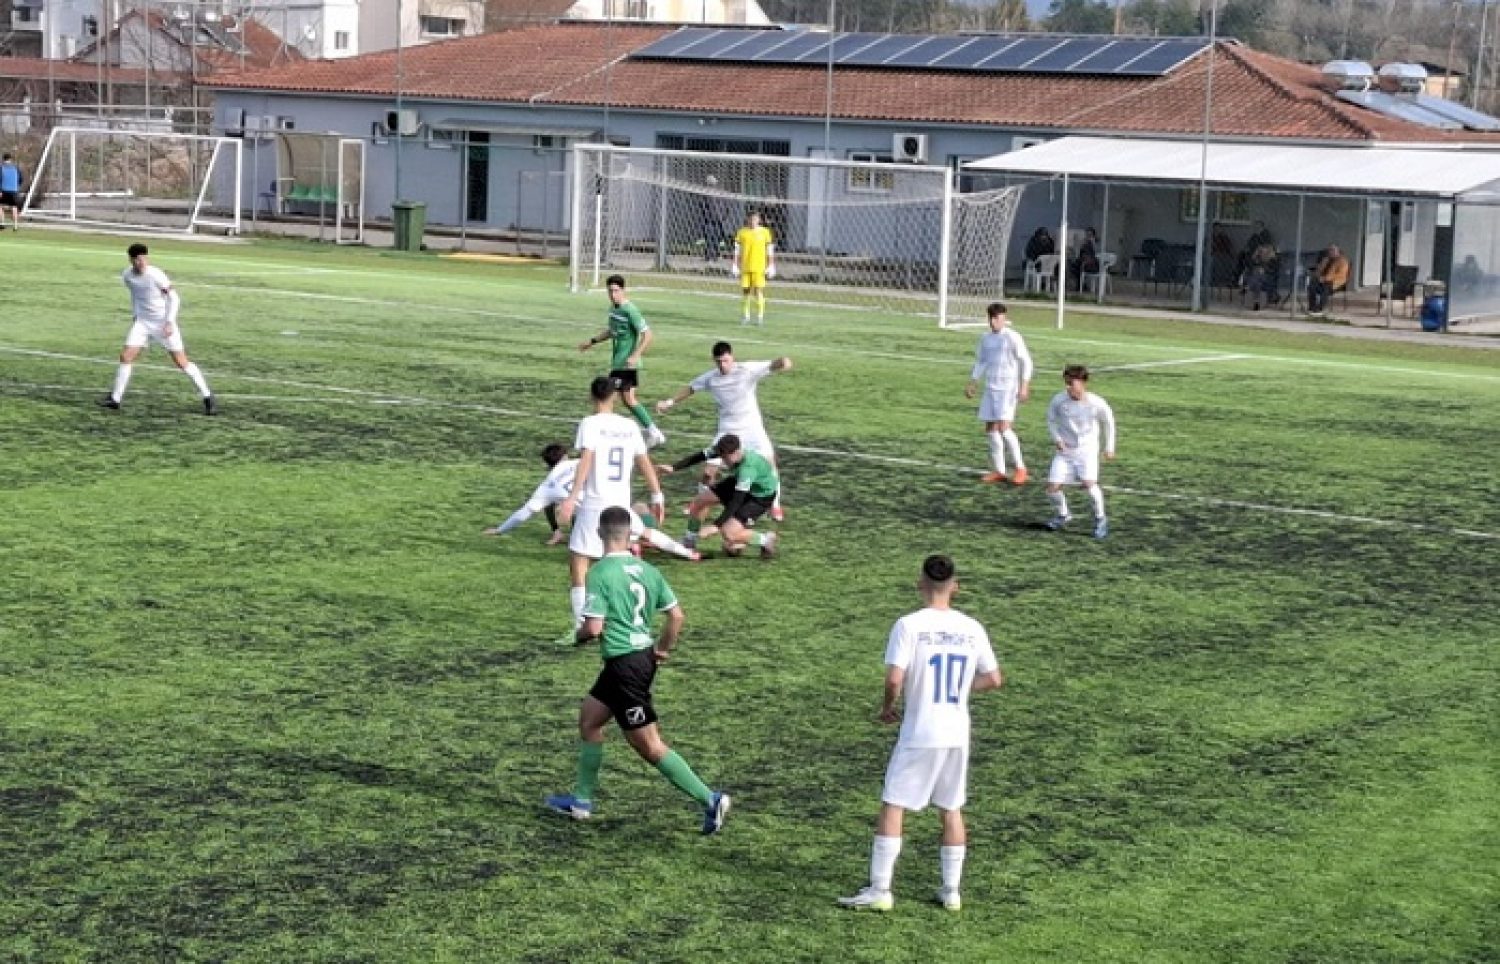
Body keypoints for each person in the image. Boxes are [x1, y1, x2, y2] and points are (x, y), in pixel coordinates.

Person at [545, 506, 731, 835]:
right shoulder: (648, 570)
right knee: (589, 721)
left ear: (600, 534)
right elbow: (677, 616)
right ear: (630, 534)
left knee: (649, 746)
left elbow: (594, 628)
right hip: (637, 658)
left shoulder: (600, 573)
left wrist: (575, 638)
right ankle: (581, 802)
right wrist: (662, 649)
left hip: (625, 668)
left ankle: (710, 799)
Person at [838, 554, 1002, 913]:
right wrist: (960, 689)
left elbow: (894, 679)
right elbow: (993, 678)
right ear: (955, 587)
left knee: (894, 803)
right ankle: (952, 891)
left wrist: (887, 707)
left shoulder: (909, 625)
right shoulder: (972, 628)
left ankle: (881, 889)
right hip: (957, 732)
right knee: (952, 808)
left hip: (921, 731)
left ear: (921, 584)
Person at [557, 377, 667, 641]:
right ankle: (625, 619)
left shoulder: (590, 423)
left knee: (579, 560)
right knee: (617, 561)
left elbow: (587, 459)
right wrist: (657, 495)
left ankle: (582, 625)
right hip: (621, 504)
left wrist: (572, 497)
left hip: (595, 503)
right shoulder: (629, 425)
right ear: (615, 396)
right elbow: (644, 461)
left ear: (591, 396)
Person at [655, 340, 792, 520]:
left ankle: (775, 505)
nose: (722, 365)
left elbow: (772, 365)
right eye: (719, 362)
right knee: (708, 472)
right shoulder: (711, 378)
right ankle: (699, 502)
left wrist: (782, 362)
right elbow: (691, 388)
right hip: (727, 430)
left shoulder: (747, 370)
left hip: (752, 427)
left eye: (725, 361)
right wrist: (669, 402)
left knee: (770, 462)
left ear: (732, 357)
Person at [97, 243, 216, 415]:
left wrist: (169, 321)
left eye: (144, 258)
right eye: (137, 259)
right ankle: (115, 399)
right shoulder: (127, 276)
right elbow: (136, 296)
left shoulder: (156, 275)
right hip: (142, 323)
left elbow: (174, 299)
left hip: (162, 323)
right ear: (131, 260)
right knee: (126, 356)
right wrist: (136, 314)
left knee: (181, 362)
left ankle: (208, 396)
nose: (141, 262)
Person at [578, 274, 666, 448]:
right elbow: (612, 331)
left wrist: (636, 355)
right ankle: (654, 432)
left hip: (627, 365)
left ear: (623, 290)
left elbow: (648, 335)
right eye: (610, 291)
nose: (613, 294)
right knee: (627, 400)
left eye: (616, 291)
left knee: (608, 397)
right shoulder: (613, 309)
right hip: (618, 363)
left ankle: (607, 433)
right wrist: (592, 341)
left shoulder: (630, 310)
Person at [659, 433, 779, 558]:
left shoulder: (747, 469)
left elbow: (736, 501)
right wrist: (673, 467)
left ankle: (765, 540)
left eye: (726, 458)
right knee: (700, 500)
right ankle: (689, 542)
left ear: (737, 452)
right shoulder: (723, 450)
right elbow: (700, 456)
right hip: (740, 484)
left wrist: (716, 526)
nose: (723, 461)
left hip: (759, 497)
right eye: (722, 457)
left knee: (729, 533)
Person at [1044, 365, 1116, 540]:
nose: (1068, 387)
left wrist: (1109, 447)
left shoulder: (1096, 403)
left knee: (1090, 485)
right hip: (1066, 451)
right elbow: (1051, 420)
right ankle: (1063, 514)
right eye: (1066, 383)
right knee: (1052, 488)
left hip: (1087, 451)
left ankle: (1100, 519)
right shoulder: (1059, 400)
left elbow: (1109, 423)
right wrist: (1057, 439)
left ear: (1083, 383)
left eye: (1072, 383)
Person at [964, 303, 1032, 486]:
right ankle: (1000, 471)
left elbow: (1026, 361)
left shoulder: (1012, 337)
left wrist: (1024, 385)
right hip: (991, 387)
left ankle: (1021, 468)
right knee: (991, 428)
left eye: (998, 318)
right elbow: (982, 361)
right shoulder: (985, 338)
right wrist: (973, 381)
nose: (995, 322)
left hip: (1008, 389)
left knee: (1004, 428)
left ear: (1004, 318)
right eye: (992, 318)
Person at [482, 443, 576, 545]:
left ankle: (572, 535)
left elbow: (523, 513)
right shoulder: (581, 463)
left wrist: (499, 530)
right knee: (553, 505)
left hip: (583, 511)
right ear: (565, 456)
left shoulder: (547, 486)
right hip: (586, 509)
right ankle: (565, 535)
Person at [734, 210, 776, 326]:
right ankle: (746, 316)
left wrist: (771, 265)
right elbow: (737, 250)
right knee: (746, 291)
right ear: (747, 220)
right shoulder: (742, 232)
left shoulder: (765, 232)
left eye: (755, 219)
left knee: (758, 291)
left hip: (759, 267)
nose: (753, 221)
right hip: (745, 267)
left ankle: (760, 317)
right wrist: (735, 264)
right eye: (751, 219)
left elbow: (769, 250)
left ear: (759, 220)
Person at [1306, 243, 1349, 316]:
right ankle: (1312, 307)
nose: (1331, 252)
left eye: (1333, 250)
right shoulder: (1326, 259)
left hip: (1336, 282)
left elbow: (1340, 275)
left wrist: (1325, 278)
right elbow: (1318, 270)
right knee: (1312, 285)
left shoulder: (1343, 261)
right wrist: (1317, 273)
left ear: (1338, 251)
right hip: (1322, 280)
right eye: (1329, 250)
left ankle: (1320, 309)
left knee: (1326, 287)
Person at [699, 175, 728, 262]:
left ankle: (712, 255)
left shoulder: (711, 193)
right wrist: (723, 216)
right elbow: (703, 206)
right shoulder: (710, 193)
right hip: (714, 219)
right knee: (712, 238)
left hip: (714, 219)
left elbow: (725, 207)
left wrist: (723, 216)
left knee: (713, 238)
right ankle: (711, 255)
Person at [1244, 239, 1279, 311]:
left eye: (1265, 251)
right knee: (1257, 283)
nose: (1263, 253)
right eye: (1261, 251)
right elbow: (1249, 266)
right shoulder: (1258, 259)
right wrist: (1254, 256)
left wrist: (1264, 270)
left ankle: (1248, 286)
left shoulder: (1273, 260)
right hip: (1258, 280)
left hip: (1268, 279)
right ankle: (1256, 303)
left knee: (1257, 275)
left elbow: (1274, 271)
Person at [0, 153, 23, 230]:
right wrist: (16, 186)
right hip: (14, 190)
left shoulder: (1, 168)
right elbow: (21, 179)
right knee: (14, 207)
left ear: (3, 159)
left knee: (0, 207)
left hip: (4, 190)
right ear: (10, 159)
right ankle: (15, 226)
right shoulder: (16, 169)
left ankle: (2, 223)